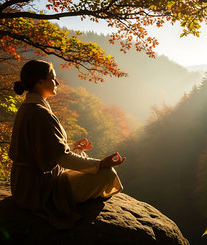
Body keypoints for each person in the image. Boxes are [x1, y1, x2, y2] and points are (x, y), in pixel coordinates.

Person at [8, 60, 125, 229]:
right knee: (107, 174)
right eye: (53, 78)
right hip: (38, 190)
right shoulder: (40, 113)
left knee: (80, 154)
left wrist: (71, 146)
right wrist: (101, 164)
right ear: (40, 81)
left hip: (24, 185)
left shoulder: (30, 107)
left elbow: (43, 148)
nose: (57, 82)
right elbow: (61, 158)